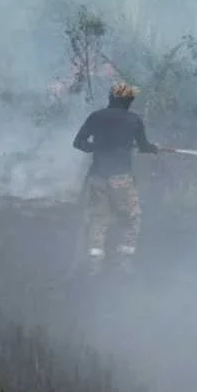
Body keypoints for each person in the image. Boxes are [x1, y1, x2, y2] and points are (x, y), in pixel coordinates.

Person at [72, 82, 160, 275]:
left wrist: (97, 147)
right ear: (129, 101)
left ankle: (94, 264)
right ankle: (123, 262)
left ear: (111, 98)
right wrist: (153, 148)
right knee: (131, 218)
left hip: (97, 177)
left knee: (98, 219)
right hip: (121, 179)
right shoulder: (134, 120)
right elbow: (144, 146)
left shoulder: (96, 116)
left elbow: (78, 142)